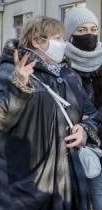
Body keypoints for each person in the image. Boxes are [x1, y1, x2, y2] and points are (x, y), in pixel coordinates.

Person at [0, 16, 99, 210]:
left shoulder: (67, 74)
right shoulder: (8, 72)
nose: (63, 44)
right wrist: (19, 85)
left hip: (65, 180)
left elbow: (89, 113)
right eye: (58, 38)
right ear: (37, 41)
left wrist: (85, 131)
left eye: (63, 39)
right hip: (24, 182)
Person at [64, 7, 102, 210]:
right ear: (70, 35)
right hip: (78, 143)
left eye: (94, 28)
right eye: (82, 30)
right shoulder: (62, 64)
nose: (89, 34)